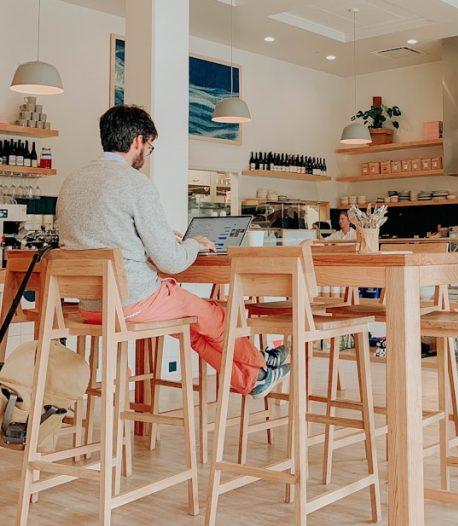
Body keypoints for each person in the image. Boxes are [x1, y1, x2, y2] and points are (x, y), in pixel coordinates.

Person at [56, 105, 289, 397]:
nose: (147, 153)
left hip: (90, 308)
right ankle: (262, 361)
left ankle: (253, 380)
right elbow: (171, 262)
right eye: (149, 146)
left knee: (193, 326)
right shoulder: (135, 184)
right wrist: (193, 244)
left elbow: (100, 237)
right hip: (132, 301)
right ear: (138, 140)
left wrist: (154, 238)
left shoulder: (72, 181)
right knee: (216, 315)